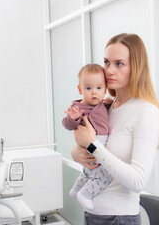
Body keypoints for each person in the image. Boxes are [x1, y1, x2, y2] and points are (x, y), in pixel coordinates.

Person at [71, 33, 159, 225]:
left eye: (119, 64)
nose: (109, 71)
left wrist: (92, 145)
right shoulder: (107, 107)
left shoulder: (146, 112)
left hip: (119, 219)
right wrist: (76, 152)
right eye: (106, 62)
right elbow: (93, 147)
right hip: (92, 214)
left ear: (136, 68)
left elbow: (138, 181)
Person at [62, 64, 112, 210]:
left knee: (88, 172)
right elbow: (67, 124)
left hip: (98, 144)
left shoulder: (102, 104)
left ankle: (75, 190)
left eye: (99, 88)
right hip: (92, 144)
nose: (94, 93)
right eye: (88, 88)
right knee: (103, 175)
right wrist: (73, 118)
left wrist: (109, 103)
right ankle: (85, 194)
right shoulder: (78, 108)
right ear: (80, 89)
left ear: (105, 88)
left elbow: (103, 114)